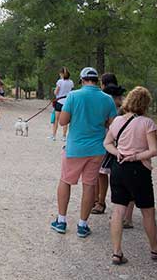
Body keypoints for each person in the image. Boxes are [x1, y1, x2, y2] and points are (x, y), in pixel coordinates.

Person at [103, 86, 157, 265]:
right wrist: (135, 156)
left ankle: (117, 252)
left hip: (118, 167)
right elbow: (153, 150)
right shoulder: (147, 123)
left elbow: (107, 143)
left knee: (118, 210)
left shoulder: (117, 120)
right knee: (148, 211)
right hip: (138, 170)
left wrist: (118, 152)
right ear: (145, 104)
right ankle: (155, 248)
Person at [50, 67, 117, 238]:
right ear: (97, 80)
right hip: (97, 149)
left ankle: (62, 220)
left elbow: (64, 121)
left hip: (75, 147)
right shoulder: (107, 99)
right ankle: (82, 224)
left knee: (65, 181)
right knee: (89, 185)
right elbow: (112, 124)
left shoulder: (74, 96)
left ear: (82, 80)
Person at [93, 73, 127, 217]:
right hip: (108, 142)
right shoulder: (112, 102)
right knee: (100, 173)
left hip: (109, 144)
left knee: (102, 173)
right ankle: (98, 201)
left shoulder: (111, 103)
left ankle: (100, 202)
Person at [50, 67, 74, 141]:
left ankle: (54, 135)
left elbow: (56, 92)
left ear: (62, 74)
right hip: (67, 102)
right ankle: (64, 136)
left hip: (59, 102)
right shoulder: (71, 82)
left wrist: (54, 91)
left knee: (56, 120)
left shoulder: (60, 82)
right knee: (66, 120)